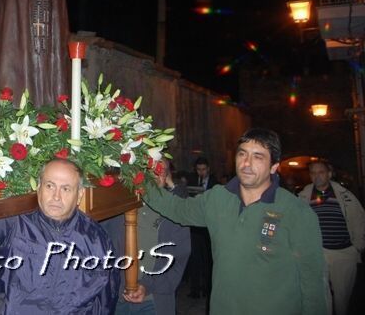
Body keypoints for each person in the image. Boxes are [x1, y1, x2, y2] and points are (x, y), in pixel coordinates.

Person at [143, 128, 328, 315]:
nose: (247, 163)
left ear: (273, 167)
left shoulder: (296, 212)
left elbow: (312, 282)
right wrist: (141, 179)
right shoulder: (218, 198)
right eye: (242, 154)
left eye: (258, 157)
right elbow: (178, 209)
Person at [0, 158, 119, 314]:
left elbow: (105, 302)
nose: (56, 196)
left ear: (79, 194)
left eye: (66, 189)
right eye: (50, 186)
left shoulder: (96, 239)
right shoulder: (16, 224)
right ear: (39, 187)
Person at [102, 159, 191, 315]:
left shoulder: (174, 214)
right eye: (150, 171)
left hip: (153, 300)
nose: (155, 176)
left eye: (161, 172)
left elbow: (178, 260)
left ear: (167, 177)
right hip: (116, 298)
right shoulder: (119, 205)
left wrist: (148, 285)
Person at [299, 160, 365, 315]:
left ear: (329, 174)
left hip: (343, 253)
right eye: (313, 173)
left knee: (342, 297)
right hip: (318, 253)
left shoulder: (344, 195)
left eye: (321, 172)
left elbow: (359, 219)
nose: (317, 176)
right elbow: (297, 222)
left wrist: (358, 246)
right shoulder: (304, 196)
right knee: (320, 296)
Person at [184, 157, 216, 300]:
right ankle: (195, 289)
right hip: (195, 226)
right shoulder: (192, 181)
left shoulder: (215, 183)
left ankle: (208, 288)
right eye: (198, 169)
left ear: (208, 169)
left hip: (209, 226)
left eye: (203, 169)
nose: (201, 172)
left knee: (208, 259)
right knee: (195, 258)